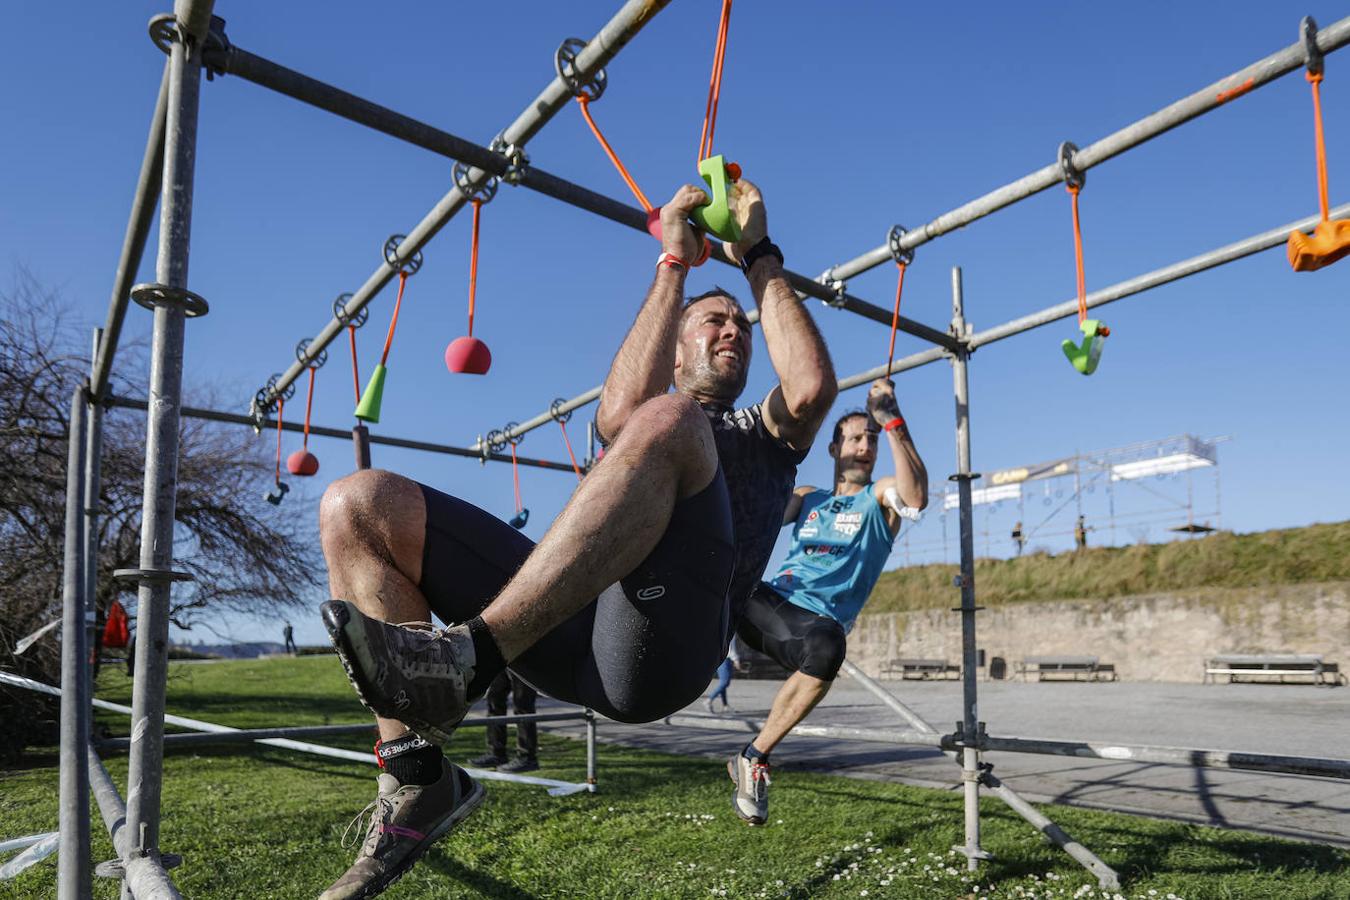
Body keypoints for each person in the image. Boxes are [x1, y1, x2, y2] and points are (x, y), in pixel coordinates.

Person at [315, 180, 836, 900]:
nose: (734, 331)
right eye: (713, 322)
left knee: (672, 422)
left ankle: (466, 659)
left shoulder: (765, 436)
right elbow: (620, 412)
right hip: (560, 630)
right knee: (357, 505)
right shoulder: (652, 414)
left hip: (662, 653)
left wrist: (758, 255)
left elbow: (808, 389)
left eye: (742, 326)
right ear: (677, 348)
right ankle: (415, 776)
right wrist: (674, 264)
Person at [727, 378, 928, 825]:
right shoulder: (809, 498)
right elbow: (753, 517)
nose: (865, 444)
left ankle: (753, 756)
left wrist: (891, 421)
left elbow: (916, 498)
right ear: (834, 448)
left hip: (815, 624)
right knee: (719, 570)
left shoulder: (881, 498)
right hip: (769, 602)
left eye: (870, 439)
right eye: (856, 437)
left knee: (827, 648)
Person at [469, 670, 539, 773]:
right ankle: (496, 753)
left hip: (524, 661)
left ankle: (527, 757)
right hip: (505, 660)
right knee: (494, 699)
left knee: (523, 705)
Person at [706, 636, 745, 714]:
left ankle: (725, 706)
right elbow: (730, 646)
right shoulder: (730, 628)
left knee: (723, 683)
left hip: (721, 658)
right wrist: (736, 659)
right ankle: (709, 700)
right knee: (725, 682)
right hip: (726, 659)